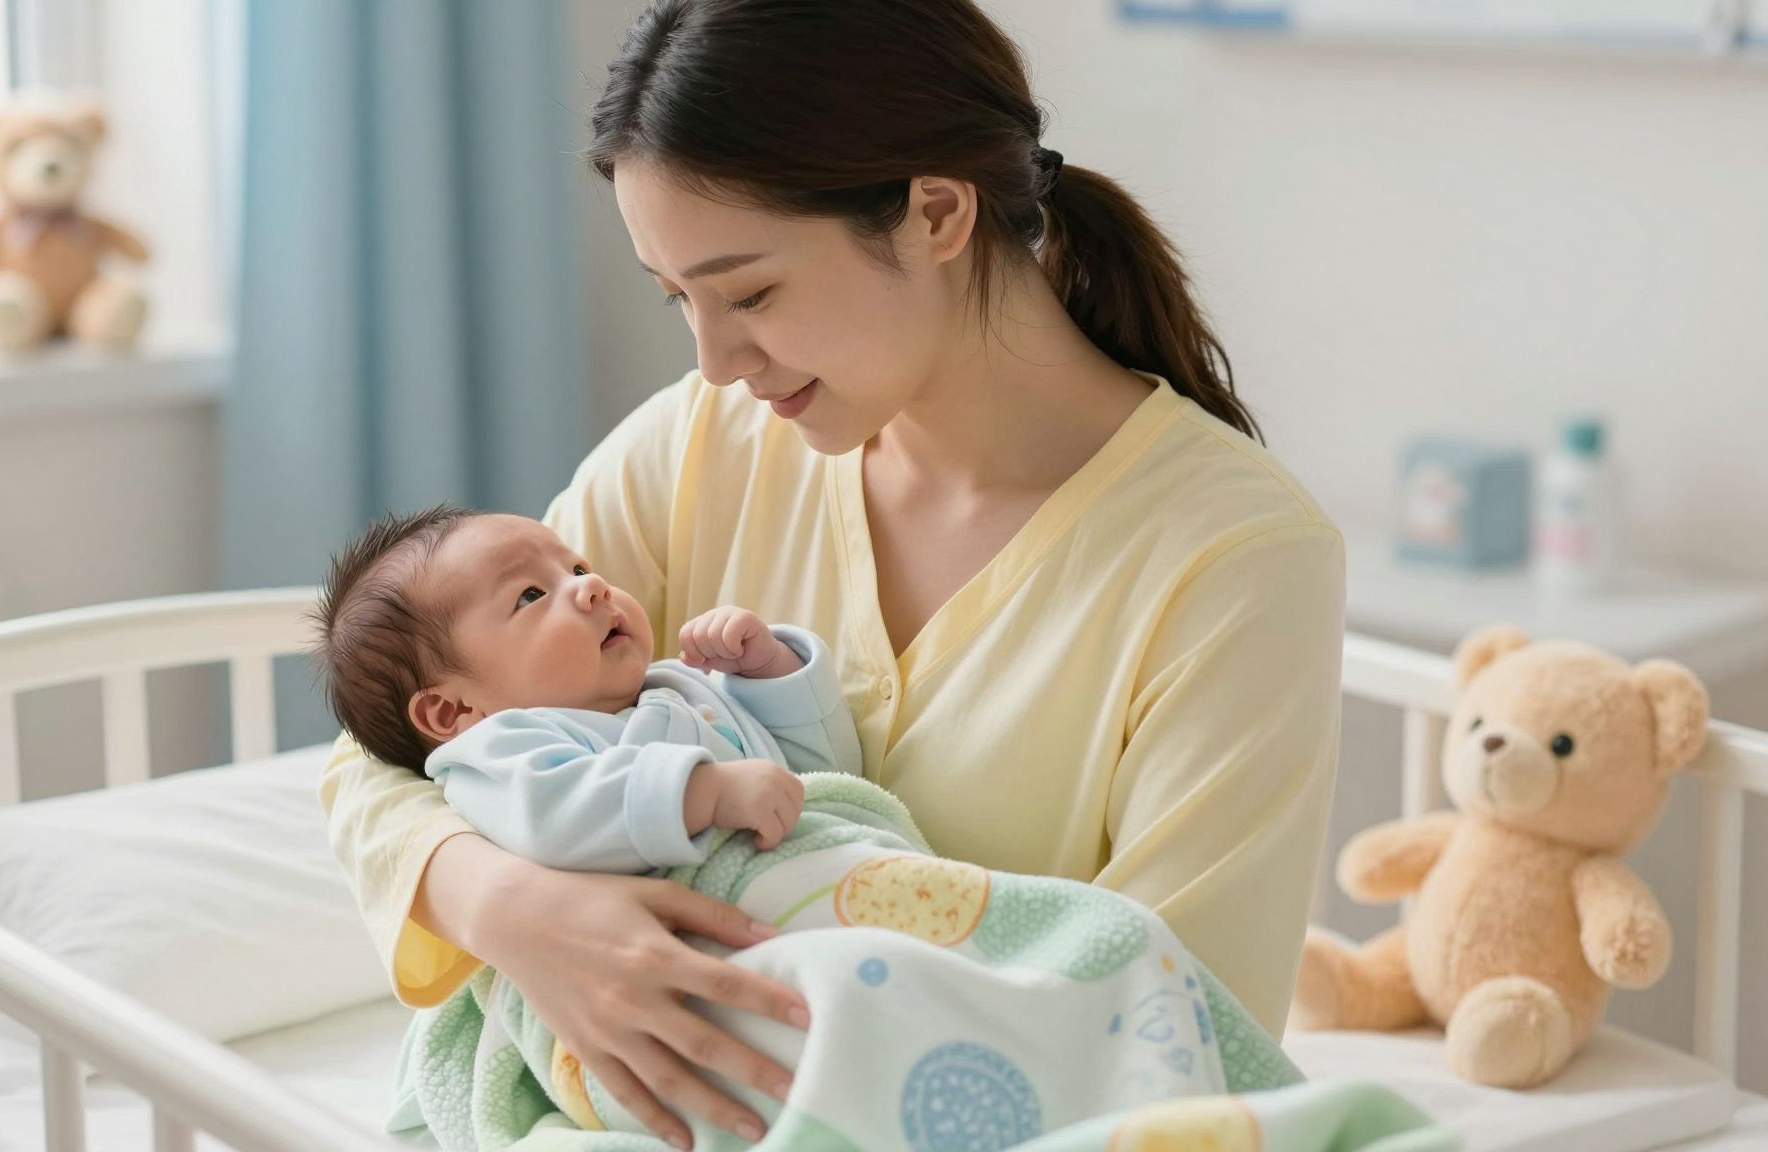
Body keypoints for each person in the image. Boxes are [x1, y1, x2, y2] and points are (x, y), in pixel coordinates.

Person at [321, 1, 1345, 1147]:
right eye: (679, 300)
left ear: (936, 213)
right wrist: (512, 910)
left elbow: (1183, 1023)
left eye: (749, 293)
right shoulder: (697, 448)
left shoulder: (1230, 557)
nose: (713, 360)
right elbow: (395, 743)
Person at [310, 507, 855, 871]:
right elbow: (553, 816)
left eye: (576, 566)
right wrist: (707, 794)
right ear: (453, 709)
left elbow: (827, 780)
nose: (591, 585)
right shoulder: (503, 751)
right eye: (529, 595)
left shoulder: (685, 686)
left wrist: (769, 671)